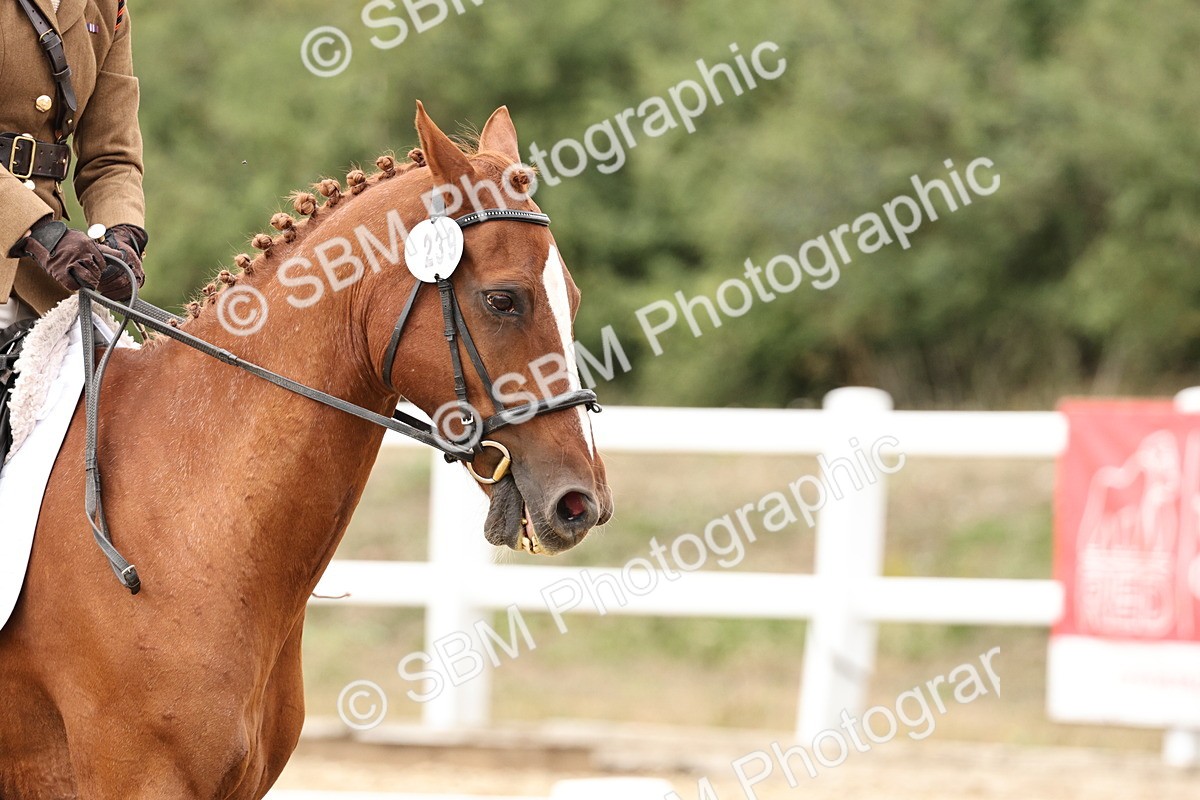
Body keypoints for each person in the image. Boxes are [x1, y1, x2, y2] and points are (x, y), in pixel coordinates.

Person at [0, 0, 149, 332]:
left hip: (43, 279)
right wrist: (40, 231)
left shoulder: (108, 7)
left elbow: (111, 155)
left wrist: (122, 233)